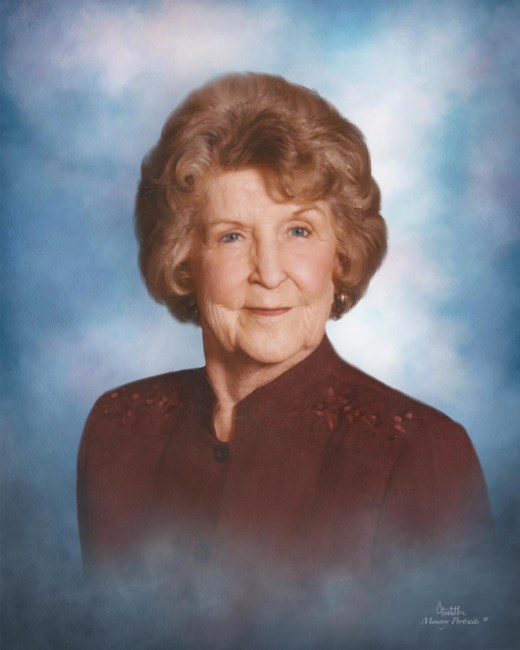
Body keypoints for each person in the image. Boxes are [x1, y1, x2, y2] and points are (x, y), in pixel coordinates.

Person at [77, 72, 493, 641]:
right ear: (183, 259)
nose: (269, 274)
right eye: (232, 236)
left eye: (298, 231)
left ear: (340, 254)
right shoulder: (119, 429)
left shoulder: (421, 451)